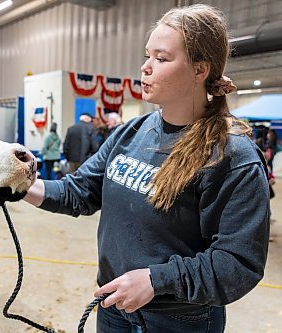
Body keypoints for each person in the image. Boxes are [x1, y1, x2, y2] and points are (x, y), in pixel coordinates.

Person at [24, 4, 270, 332]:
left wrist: (156, 280)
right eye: (146, 55)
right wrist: (15, 184)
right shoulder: (132, 132)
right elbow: (78, 190)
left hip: (178, 319)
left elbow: (237, 264)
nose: (145, 67)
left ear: (200, 70)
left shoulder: (231, 156)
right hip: (115, 307)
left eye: (161, 58)